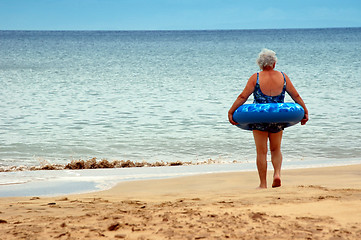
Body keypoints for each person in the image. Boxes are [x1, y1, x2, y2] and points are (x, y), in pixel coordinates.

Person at [228, 49, 308, 189]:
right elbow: (295, 96)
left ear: (260, 64)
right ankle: (277, 174)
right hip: (278, 117)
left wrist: (231, 111)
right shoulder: (283, 76)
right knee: (276, 149)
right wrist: (305, 111)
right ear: (274, 63)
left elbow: (243, 97)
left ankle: (263, 184)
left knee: (261, 152)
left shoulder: (256, 77)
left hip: (258, 118)